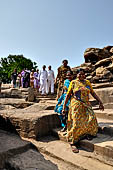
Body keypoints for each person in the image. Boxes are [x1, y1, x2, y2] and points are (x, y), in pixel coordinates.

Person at [62, 68, 104, 153]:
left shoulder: (87, 83)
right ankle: (73, 142)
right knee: (76, 123)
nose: (81, 76)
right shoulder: (73, 83)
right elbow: (68, 95)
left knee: (91, 119)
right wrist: (64, 107)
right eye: (79, 74)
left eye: (82, 74)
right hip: (76, 105)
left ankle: (86, 134)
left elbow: (93, 93)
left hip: (86, 104)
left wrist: (100, 102)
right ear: (76, 75)